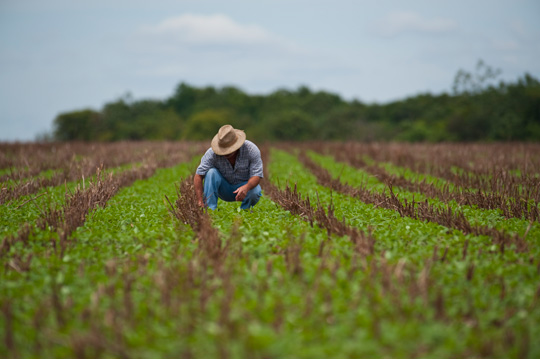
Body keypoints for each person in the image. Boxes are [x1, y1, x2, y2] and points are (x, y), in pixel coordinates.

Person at [194, 124, 263, 210]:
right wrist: (200, 200)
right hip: (224, 188)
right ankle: (210, 210)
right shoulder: (212, 153)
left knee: (255, 191)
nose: (226, 153)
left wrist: (246, 187)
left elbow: (257, 175)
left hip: (244, 187)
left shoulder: (251, 149)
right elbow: (198, 175)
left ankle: (245, 211)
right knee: (211, 173)